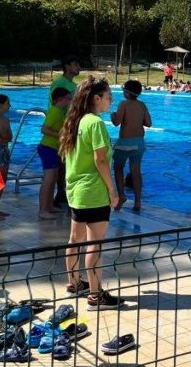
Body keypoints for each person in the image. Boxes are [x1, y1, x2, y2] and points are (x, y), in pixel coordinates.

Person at [58, 76, 120, 309]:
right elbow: (100, 159)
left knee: (75, 239)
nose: (111, 101)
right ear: (96, 98)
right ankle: (95, 296)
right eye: (109, 97)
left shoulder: (76, 121)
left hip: (75, 191)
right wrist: (112, 190)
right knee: (95, 243)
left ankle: (74, 283)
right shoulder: (95, 123)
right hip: (93, 192)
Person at [111, 79, 152, 212]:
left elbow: (116, 123)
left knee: (118, 168)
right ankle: (138, 201)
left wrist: (113, 116)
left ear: (127, 93)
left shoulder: (123, 104)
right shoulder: (142, 105)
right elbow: (149, 123)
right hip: (139, 142)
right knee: (136, 171)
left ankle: (122, 196)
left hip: (125, 143)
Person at [49, 55, 80, 208]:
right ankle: (60, 192)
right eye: (75, 64)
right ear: (67, 66)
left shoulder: (74, 85)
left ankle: (65, 192)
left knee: (68, 161)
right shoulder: (59, 83)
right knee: (61, 162)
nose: (79, 67)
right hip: (62, 128)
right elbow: (54, 105)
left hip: (71, 126)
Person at [37, 87, 71, 220]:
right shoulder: (55, 111)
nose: (70, 101)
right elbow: (44, 129)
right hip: (48, 148)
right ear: (60, 99)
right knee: (48, 180)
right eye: (68, 99)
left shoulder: (60, 112)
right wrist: (60, 136)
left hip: (54, 149)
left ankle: (49, 206)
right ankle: (43, 210)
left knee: (53, 179)